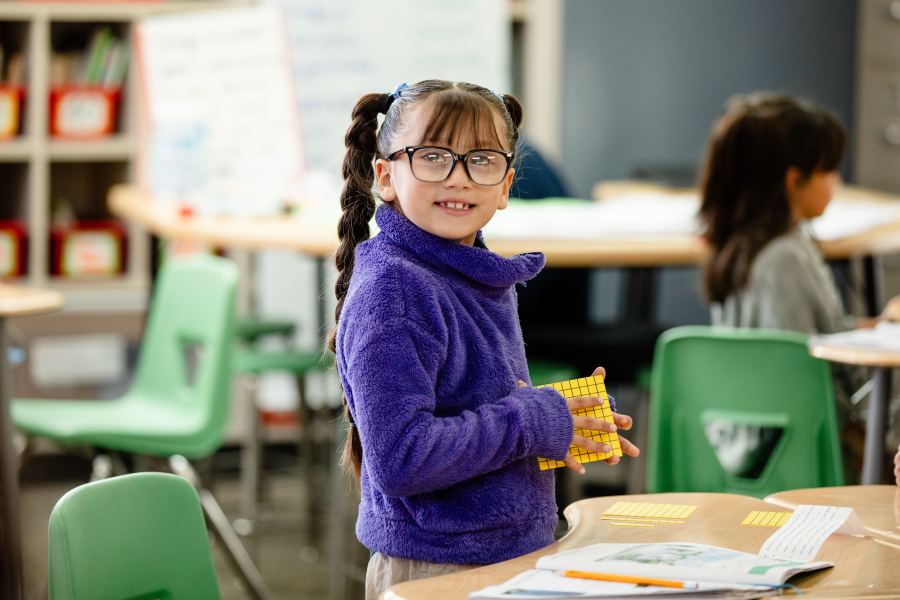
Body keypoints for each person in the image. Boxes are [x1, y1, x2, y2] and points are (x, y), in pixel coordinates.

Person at [327, 80, 639, 599]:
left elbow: (480, 403)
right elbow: (402, 458)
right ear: (385, 175)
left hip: (500, 553)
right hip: (436, 567)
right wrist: (530, 420)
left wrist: (561, 418)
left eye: (482, 160)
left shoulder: (467, 269)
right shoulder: (396, 290)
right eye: (432, 157)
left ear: (506, 184)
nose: (460, 178)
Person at [699, 94, 900, 480]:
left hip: (749, 448)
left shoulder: (743, 245)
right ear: (795, 180)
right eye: (830, 171)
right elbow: (800, 376)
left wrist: (877, 324)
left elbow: (807, 339)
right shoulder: (784, 257)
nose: (837, 182)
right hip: (802, 453)